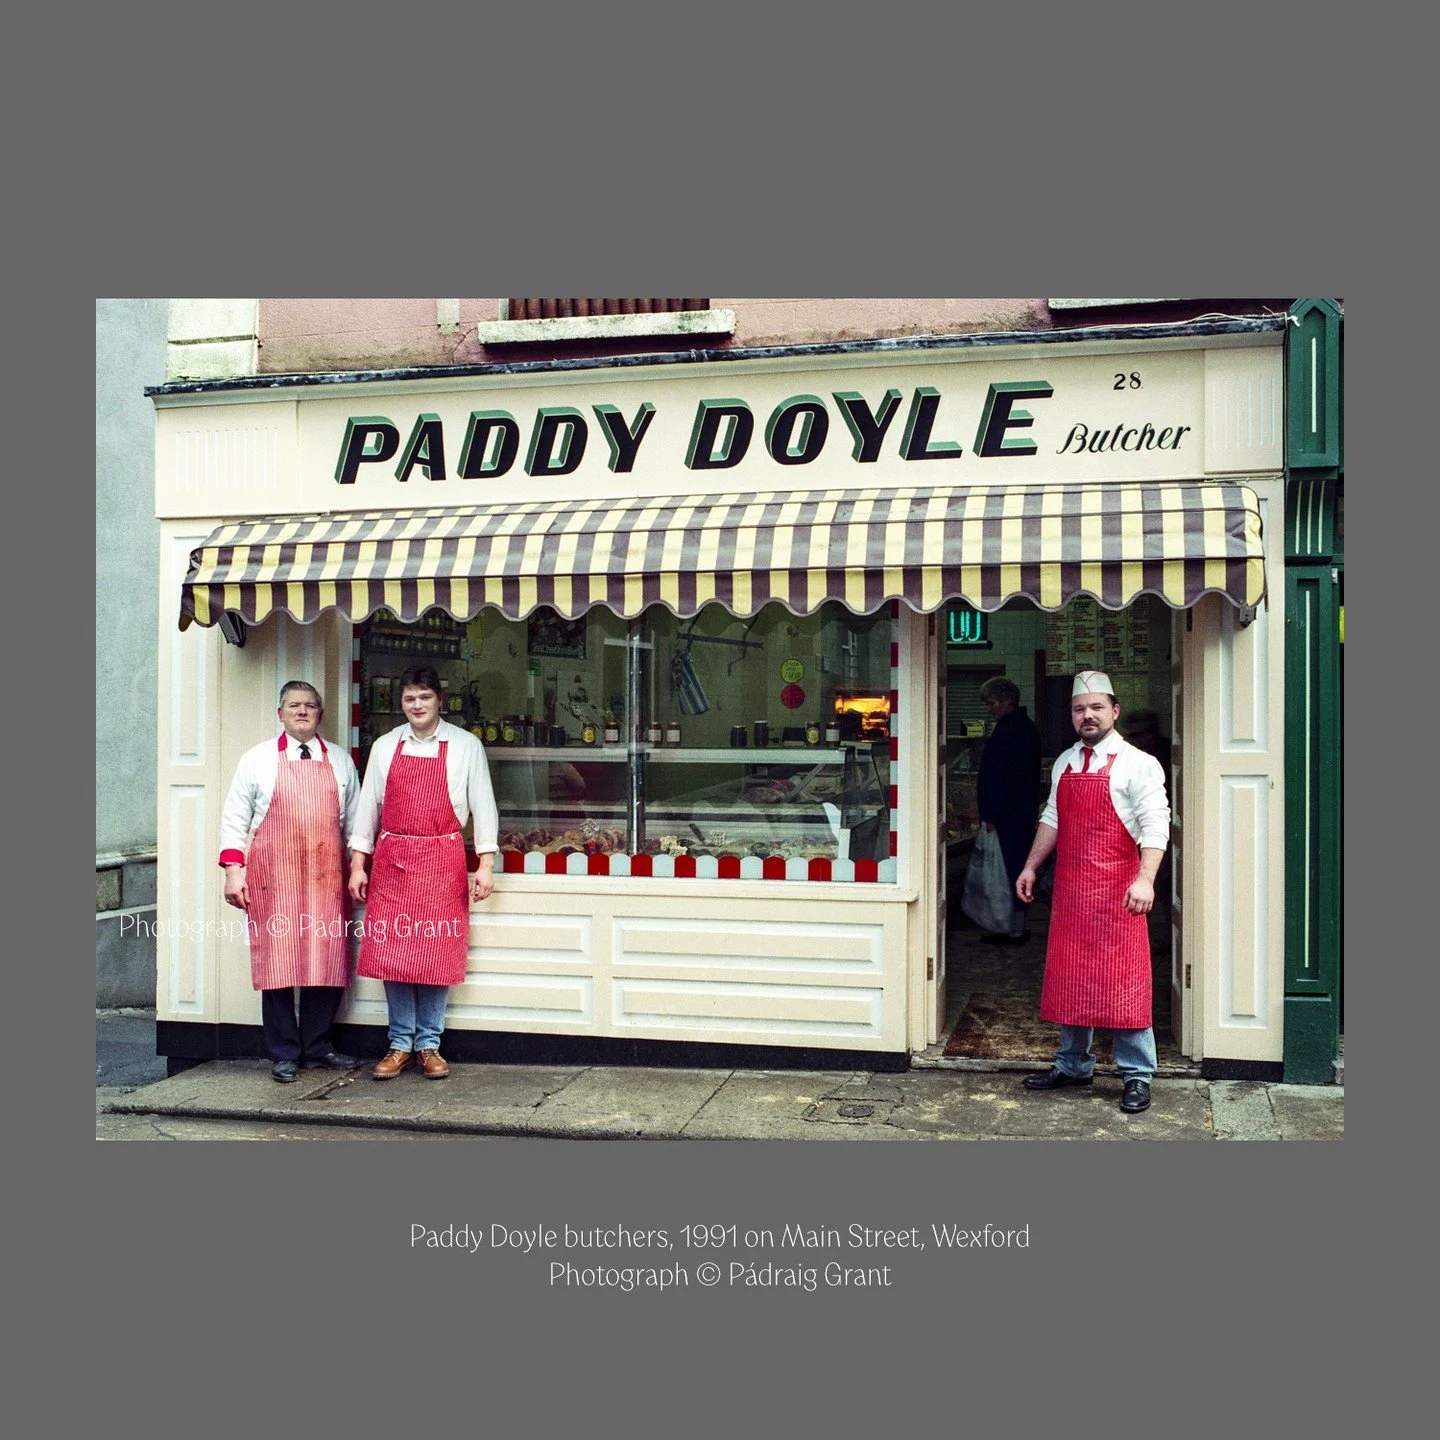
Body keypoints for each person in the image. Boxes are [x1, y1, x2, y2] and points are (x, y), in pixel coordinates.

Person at [1014, 670, 1170, 1114]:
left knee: (1126, 981)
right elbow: (1053, 818)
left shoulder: (1140, 763)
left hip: (1120, 894)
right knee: (1072, 978)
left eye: (1097, 707)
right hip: (1073, 891)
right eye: (1080, 708)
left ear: (1114, 711)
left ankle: (1137, 1074)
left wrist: (1145, 878)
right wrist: (1031, 865)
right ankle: (1073, 1064)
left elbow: (1156, 825)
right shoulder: (1064, 761)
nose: (1088, 715)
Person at [348, 665, 498, 1080]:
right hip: (393, 860)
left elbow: (483, 805)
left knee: (435, 952)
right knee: (394, 954)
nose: (417, 705)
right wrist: (358, 863)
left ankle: (429, 1045)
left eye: (425, 697)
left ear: (439, 701)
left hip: (442, 858)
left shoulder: (466, 746)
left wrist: (485, 865)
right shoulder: (384, 746)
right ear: (402, 703)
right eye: (410, 698)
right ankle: (399, 1045)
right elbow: (368, 809)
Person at [219, 681, 361, 1082]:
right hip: (272, 879)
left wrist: (357, 866)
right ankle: (283, 1052)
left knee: (326, 960)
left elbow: (353, 822)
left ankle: (318, 1047)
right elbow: (234, 819)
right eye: (294, 705)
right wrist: (234, 871)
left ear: (321, 714)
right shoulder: (256, 759)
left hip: (326, 877)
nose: (302, 712)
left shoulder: (339, 760)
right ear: (279, 713)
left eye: (311, 706)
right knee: (278, 963)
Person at [974, 676, 1042, 944]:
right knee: (1012, 867)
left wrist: (991, 814)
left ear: (1007, 701)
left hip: (1009, 816)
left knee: (1009, 870)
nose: (989, 708)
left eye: (992, 703)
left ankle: (1011, 929)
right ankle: (1012, 925)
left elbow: (1004, 778)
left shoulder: (1011, 731)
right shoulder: (1022, 727)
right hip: (1018, 813)